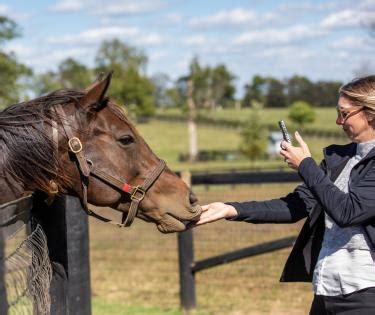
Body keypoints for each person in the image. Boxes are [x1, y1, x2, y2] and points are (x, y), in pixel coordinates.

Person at [192, 75, 375, 315]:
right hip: (326, 288)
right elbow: (295, 206)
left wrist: (306, 166)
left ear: (370, 112)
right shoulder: (340, 159)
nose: (338, 121)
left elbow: (348, 212)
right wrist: (231, 209)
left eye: (344, 113)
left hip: (365, 293)